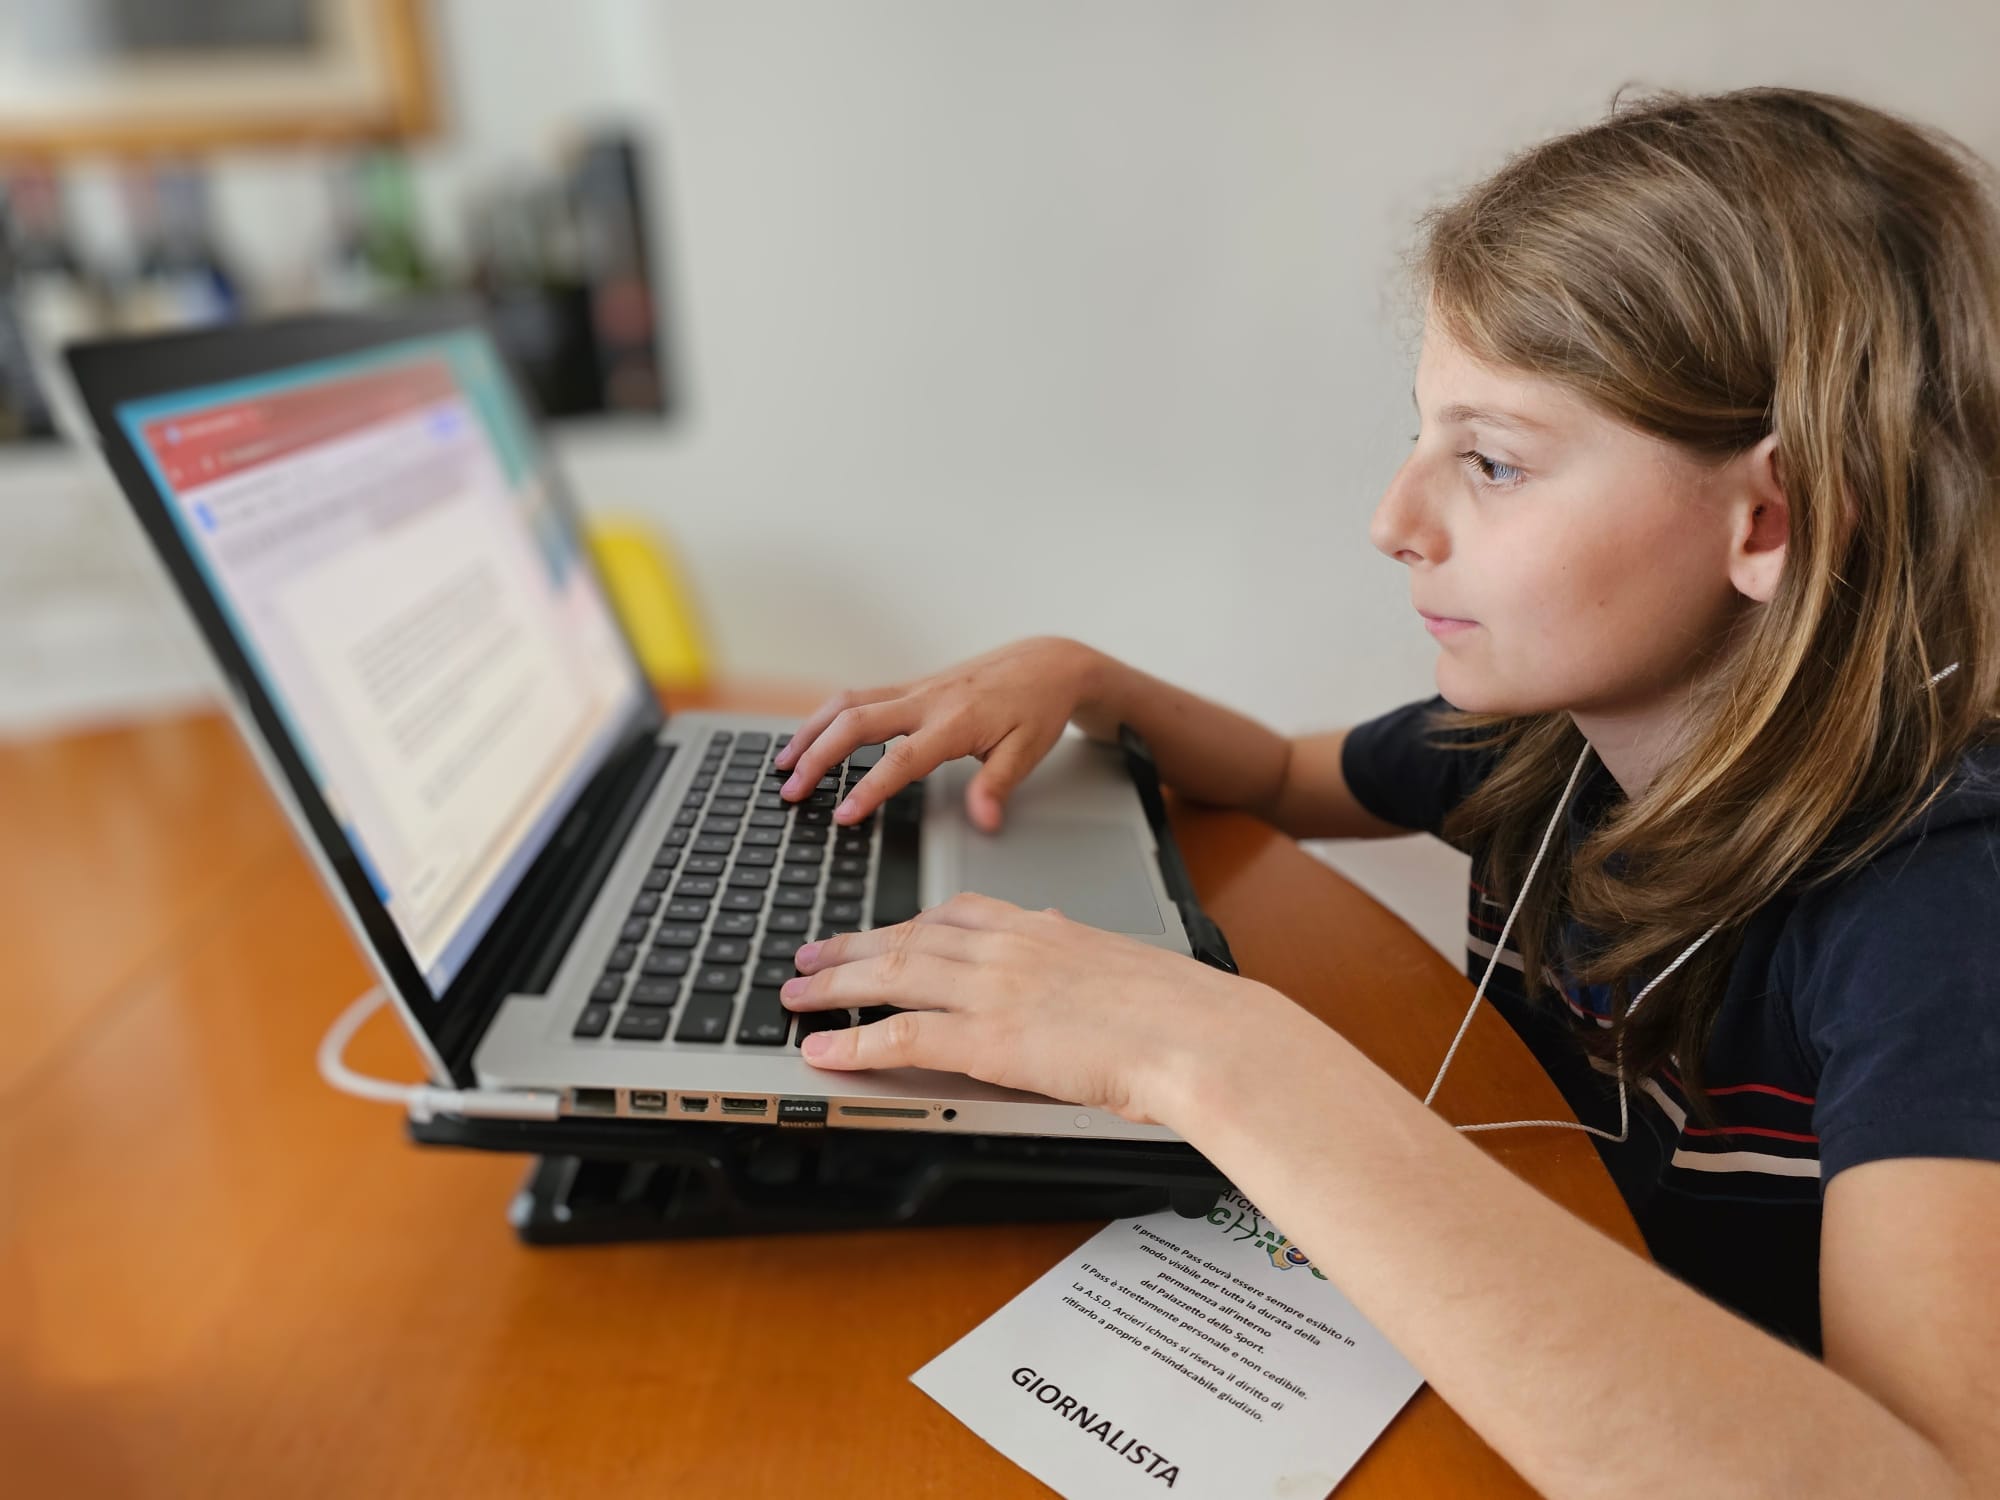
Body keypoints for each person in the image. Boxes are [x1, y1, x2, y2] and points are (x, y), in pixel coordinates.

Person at [773, 86, 2000, 1497]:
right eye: (1424, 437)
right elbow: (1287, 777)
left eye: (1492, 460)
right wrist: (1085, 675)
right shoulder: (1541, 743)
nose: (1393, 522)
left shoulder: (1942, 908)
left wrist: (1223, 1060)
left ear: (1772, 518)